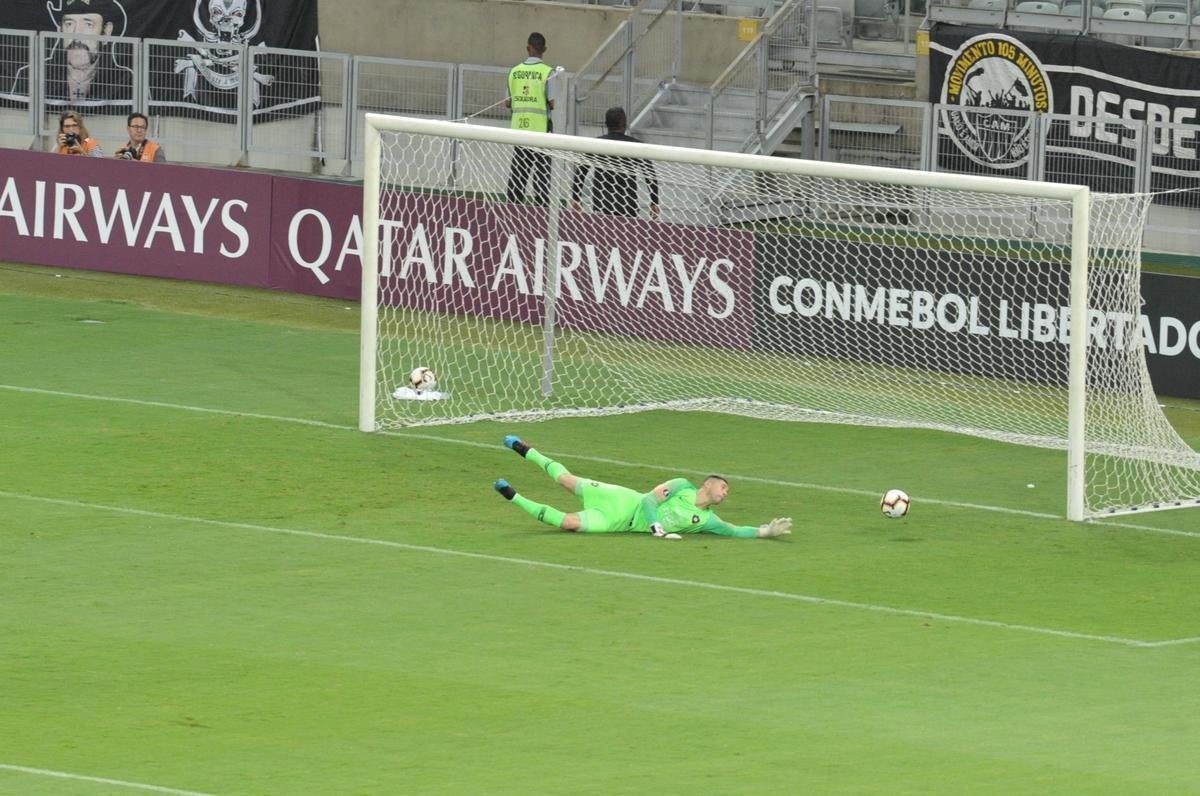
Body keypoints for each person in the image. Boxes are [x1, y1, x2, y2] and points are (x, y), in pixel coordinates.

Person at [493, 436, 792, 539]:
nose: (726, 492)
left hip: (618, 523)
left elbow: (734, 530)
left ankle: (512, 496)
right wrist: (656, 528)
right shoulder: (680, 486)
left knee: (569, 523)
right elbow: (649, 501)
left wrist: (765, 531)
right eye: (724, 487)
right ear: (708, 484)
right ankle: (524, 450)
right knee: (566, 480)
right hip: (623, 500)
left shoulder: (707, 521)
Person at [571, 107, 660, 219]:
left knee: (602, 235)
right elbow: (650, 176)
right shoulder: (638, 147)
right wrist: (654, 202)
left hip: (601, 205)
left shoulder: (595, 144)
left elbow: (581, 172)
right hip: (627, 206)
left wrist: (576, 198)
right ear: (625, 124)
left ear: (606, 124)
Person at [504, 32, 555, 206]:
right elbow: (553, 102)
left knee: (518, 176)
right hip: (541, 132)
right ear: (545, 49)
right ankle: (541, 216)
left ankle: (512, 212)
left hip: (519, 132)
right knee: (541, 180)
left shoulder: (514, 71)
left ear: (527, 48)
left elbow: (507, 102)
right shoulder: (548, 72)